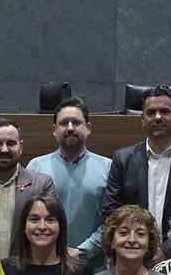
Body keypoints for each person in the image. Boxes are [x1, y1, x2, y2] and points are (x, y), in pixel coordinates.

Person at [100, 85, 171, 254]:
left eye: (164, 111)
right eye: (150, 112)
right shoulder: (123, 159)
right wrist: (139, 245)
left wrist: (167, 251)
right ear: (142, 118)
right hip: (133, 253)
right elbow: (111, 211)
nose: (157, 117)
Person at [29, 97, 113, 266]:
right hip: (46, 262)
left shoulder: (108, 168)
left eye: (76, 122)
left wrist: (83, 251)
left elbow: (113, 220)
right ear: (54, 129)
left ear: (88, 128)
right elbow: (29, 218)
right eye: (63, 123)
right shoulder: (36, 167)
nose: (70, 128)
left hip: (93, 266)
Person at [0, 119, 58, 260]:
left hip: (24, 273)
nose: (4, 149)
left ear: (20, 146)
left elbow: (51, 231)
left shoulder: (42, 184)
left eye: (11, 143)